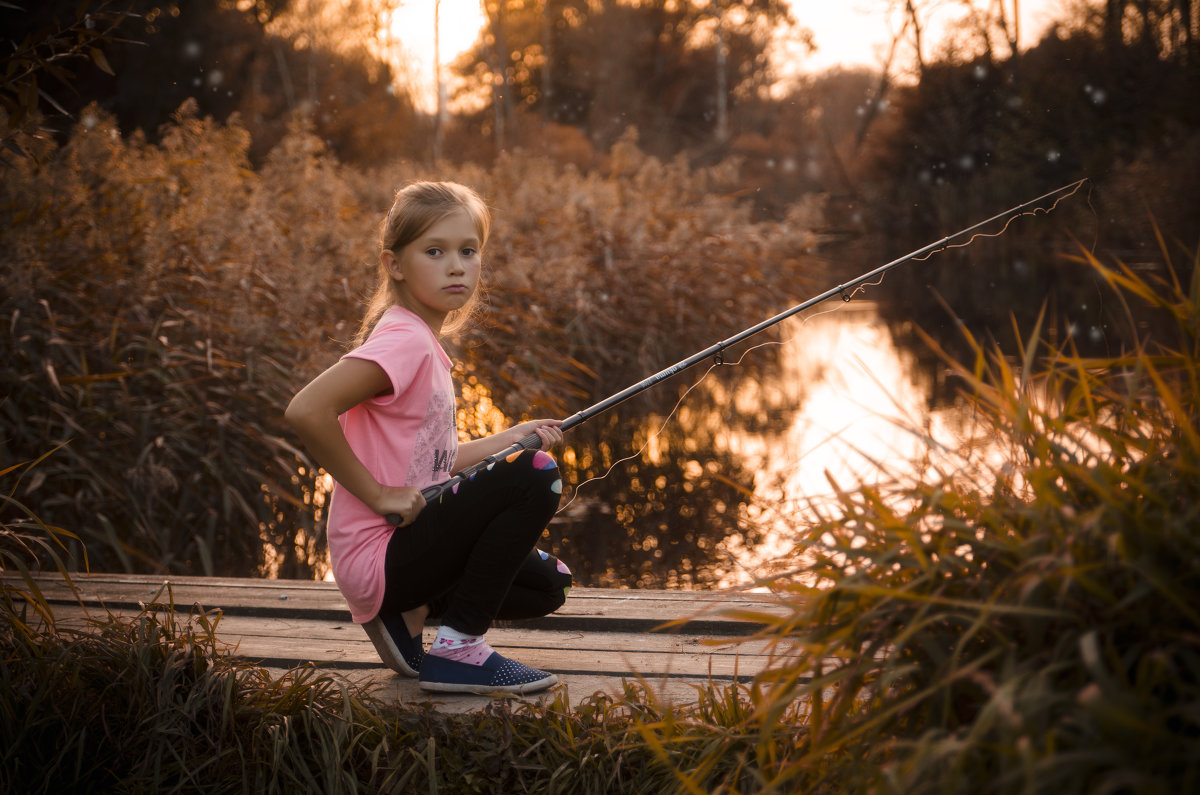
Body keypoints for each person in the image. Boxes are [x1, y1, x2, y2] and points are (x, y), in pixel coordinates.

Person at [285, 181, 571, 695]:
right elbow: (307, 410)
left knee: (547, 584)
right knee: (537, 477)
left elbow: (428, 465)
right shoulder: (405, 340)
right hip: (382, 552)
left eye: (468, 251)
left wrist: (510, 437)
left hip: (401, 553)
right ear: (395, 264)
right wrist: (376, 495)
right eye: (434, 252)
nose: (457, 265)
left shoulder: (422, 342)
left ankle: (409, 612)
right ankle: (458, 651)